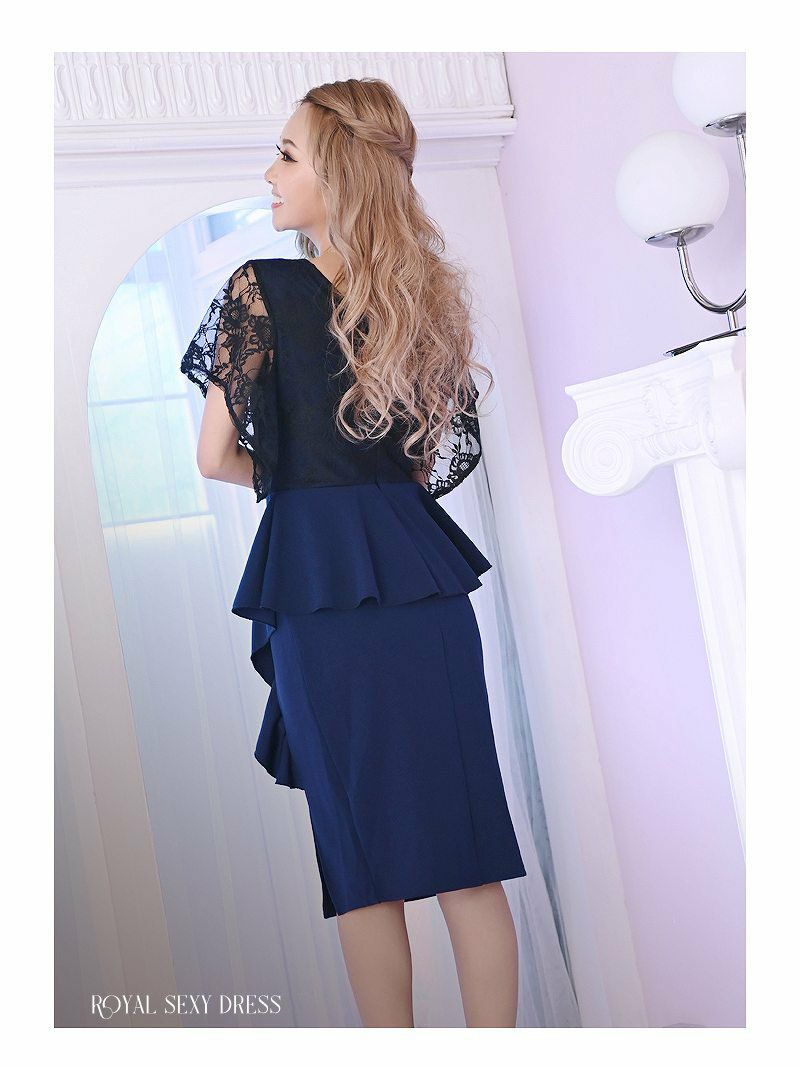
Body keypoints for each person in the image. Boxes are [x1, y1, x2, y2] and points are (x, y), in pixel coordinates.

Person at [180, 76, 526, 1028]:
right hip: (418, 586)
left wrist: (297, 480)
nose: (270, 171)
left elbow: (214, 457)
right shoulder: (426, 300)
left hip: (317, 588)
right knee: (468, 853)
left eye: (287, 154)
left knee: (359, 854)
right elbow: (418, 469)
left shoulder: (260, 289)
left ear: (338, 175)